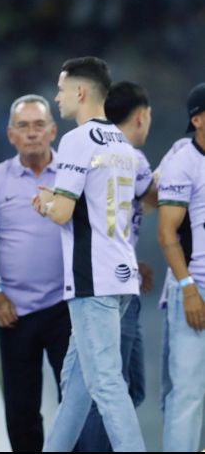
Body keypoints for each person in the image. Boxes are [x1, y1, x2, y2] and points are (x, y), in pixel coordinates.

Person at [33, 56, 149, 451]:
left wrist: (45, 203)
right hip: (121, 275)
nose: (57, 97)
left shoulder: (77, 140)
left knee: (106, 383)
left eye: (62, 89)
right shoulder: (121, 142)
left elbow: (63, 212)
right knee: (78, 389)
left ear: (80, 92)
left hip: (91, 279)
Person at [0, 94, 69, 452]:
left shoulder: (72, 177)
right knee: (22, 411)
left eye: (39, 125)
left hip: (67, 307)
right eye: (23, 126)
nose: (32, 134)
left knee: (76, 404)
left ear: (53, 131)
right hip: (16, 311)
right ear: (11, 135)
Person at [76, 81, 156, 451]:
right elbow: (158, 196)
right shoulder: (130, 157)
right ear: (141, 116)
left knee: (119, 386)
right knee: (108, 390)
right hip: (108, 285)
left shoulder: (97, 149)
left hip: (114, 278)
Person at [157, 82, 205, 452]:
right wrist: (188, 289)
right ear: (198, 119)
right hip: (197, 289)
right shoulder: (183, 161)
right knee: (187, 393)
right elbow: (167, 232)